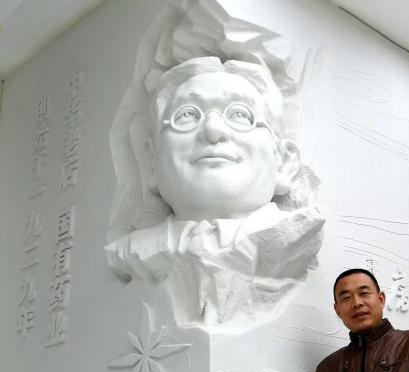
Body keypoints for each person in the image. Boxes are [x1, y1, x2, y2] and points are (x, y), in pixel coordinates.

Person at [105, 57, 323, 330]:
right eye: (187, 115)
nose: (213, 130)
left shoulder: (294, 240)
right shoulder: (133, 253)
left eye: (239, 115)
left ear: (284, 162)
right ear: (151, 162)